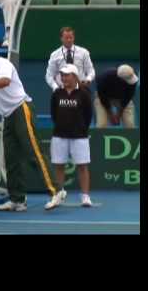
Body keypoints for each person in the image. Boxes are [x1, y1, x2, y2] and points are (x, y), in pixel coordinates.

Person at [0, 42, 64, 211]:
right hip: (8, 117)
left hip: (21, 108)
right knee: (11, 159)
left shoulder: (2, 64)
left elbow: (5, 81)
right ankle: (17, 199)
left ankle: (57, 191)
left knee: (33, 151)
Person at [51, 64, 93, 207]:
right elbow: (54, 114)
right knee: (59, 166)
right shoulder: (57, 93)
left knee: (82, 166)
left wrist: (81, 129)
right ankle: (59, 193)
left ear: (75, 77)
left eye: (67, 75)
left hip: (79, 136)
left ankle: (85, 196)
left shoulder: (84, 93)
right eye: (62, 75)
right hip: (59, 136)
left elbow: (88, 115)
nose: (64, 78)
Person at [46, 27, 96, 92]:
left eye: (71, 38)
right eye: (66, 38)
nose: (69, 40)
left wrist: (88, 80)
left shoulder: (83, 52)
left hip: (81, 89)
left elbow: (91, 71)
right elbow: (49, 76)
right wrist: (55, 87)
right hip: (62, 90)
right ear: (61, 39)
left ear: (74, 38)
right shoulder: (54, 55)